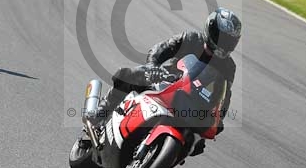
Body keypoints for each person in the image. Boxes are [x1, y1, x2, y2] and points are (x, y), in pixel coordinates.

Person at [84, 8, 241, 153]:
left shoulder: (229, 66)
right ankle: (102, 110)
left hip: (194, 100)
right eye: (223, 39)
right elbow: (161, 49)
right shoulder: (191, 38)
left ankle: (162, 152)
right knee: (127, 74)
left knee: (197, 144)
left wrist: (219, 117)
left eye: (229, 41)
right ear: (211, 29)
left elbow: (224, 94)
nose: (224, 44)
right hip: (166, 80)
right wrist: (153, 66)